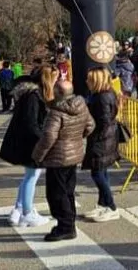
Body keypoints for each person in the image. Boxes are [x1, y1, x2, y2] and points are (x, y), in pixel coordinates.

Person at [31, 80, 95, 242]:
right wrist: (76, 138)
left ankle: (65, 227)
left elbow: (49, 137)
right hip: (74, 154)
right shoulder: (81, 106)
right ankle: (68, 223)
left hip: (57, 157)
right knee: (68, 191)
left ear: (58, 93)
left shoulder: (56, 112)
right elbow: (90, 125)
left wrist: (38, 156)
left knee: (56, 194)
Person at [0, 67, 57, 228]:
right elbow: (30, 123)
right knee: (32, 176)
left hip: (27, 140)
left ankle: (20, 207)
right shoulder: (33, 96)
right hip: (30, 142)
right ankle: (27, 212)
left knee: (30, 177)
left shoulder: (32, 94)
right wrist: (44, 139)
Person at [82, 67, 121, 222]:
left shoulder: (102, 97)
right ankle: (102, 204)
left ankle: (111, 206)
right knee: (102, 171)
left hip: (102, 139)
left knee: (97, 173)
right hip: (107, 137)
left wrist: (90, 132)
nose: (86, 81)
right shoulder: (105, 93)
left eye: (89, 79)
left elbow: (104, 121)